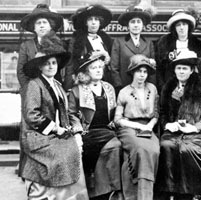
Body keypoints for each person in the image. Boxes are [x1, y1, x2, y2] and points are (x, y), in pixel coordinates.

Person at [19, 37, 89, 200]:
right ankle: (52, 196)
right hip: (38, 136)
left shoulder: (57, 85)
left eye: (54, 63)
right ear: (40, 66)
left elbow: (67, 112)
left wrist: (76, 130)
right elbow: (32, 115)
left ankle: (71, 196)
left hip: (54, 134)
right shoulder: (34, 85)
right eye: (47, 63)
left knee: (75, 147)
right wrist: (57, 129)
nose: (51, 66)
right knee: (67, 152)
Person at [156, 49, 201, 200]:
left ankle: (194, 189)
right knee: (166, 146)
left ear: (191, 70)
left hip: (197, 131)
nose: (181, 71)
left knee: (187, 149)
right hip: (174, 130)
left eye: (185, 68)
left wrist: (195, 127)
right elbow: (162, 112)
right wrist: (168, 125)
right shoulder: (168, 88)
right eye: (178, 68)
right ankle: (171, 189)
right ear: (174, 70)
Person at [68, 53, 122, 200]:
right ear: (86, 72)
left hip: (107, 130)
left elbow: (117, 109)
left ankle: (108, 191)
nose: (98, 70)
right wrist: (78, 132)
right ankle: (94, 193)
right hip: (87, 132)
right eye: (94, 68)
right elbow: (71, 114)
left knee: (117, 146)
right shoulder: (77, 90)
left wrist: (115, 122)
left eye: (100, 67)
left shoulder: (109, 88)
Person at [114, 54, 160, 200]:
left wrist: (149, 126)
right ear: (132, 72)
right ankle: (143, 196)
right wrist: (136, 126)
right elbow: (118, 120)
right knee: (141, 150)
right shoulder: (124, 92)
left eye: (145, 72)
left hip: (148, 127)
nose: (142, 75)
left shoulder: (152, 89)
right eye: (139, 71)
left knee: (154, 150)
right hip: (128, 128)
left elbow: (156, 114)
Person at [156, 8, 201, 93]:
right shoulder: (164, 44)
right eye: (178, 25)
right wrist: (165, 89)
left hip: (192, 89)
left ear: (189, 26)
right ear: (174, 28)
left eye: (184, 24)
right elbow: (160, 70)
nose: (181, 28)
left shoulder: (199, 45)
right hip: (170, 89)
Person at [63, 4, 113, 91]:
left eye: (96, 19)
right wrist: (68, 85)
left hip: (104, 81)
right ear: (86, 23)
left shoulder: (105, 40)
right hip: (85, 83)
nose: (93, 22)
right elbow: (70, 63)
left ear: (100, 22)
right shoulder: (77, 40)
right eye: (90, 20)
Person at [111, 3, 156, 94]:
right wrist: (119, 88)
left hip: (144, 89)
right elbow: (114, 68)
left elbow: (152, 69)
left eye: (138, 22)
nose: (136, 25)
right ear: (128, 25)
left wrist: (151, 88)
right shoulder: (119, 42)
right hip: (125, 88)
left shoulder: (148, 43)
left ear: (143, 25)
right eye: (132, 22)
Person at [17, 4, 64, 89]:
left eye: (44, 22)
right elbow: (21, 72)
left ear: (50, 26)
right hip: (33, 90)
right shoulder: (26, 46)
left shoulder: (59, 45)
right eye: (38, 23)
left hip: (55, 90)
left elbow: (64, 70)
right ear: (34, 28)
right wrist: (30, 91)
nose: (42, 25)